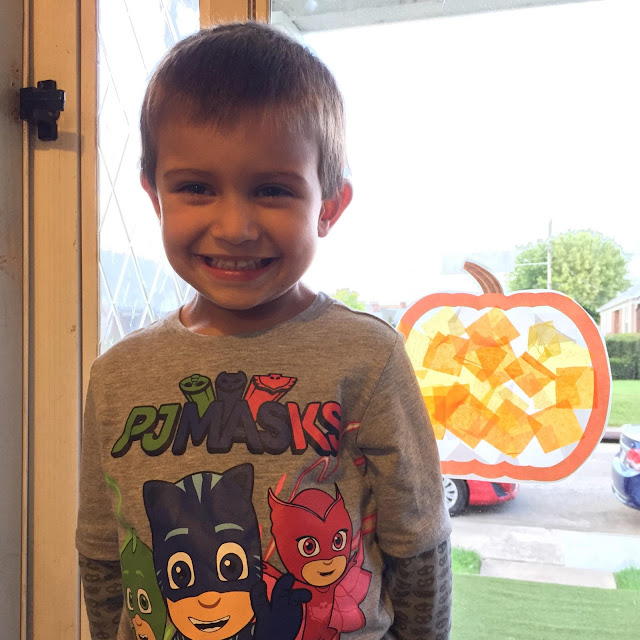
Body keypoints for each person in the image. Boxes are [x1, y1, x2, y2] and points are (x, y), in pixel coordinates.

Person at [76, 21, 452, 640]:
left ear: (329, 206)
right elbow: (103, 555)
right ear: (155, 196)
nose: (235, 228)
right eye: (196, 187)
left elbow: (419, 542)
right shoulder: (116, 375)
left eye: (272, 190)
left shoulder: (369, 356)